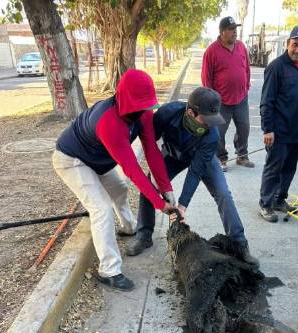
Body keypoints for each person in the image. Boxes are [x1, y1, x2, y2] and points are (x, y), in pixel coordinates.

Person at [52, 69, 176, 291]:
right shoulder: (109, 121)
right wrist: (159, 204)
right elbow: (132, 169)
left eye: (146, 104)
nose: (143, 109)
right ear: (125, 99)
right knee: (101, 208)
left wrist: (166, 189)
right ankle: (109, 270)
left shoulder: (144, 114)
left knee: (119, 189)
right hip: (72, 160)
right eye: (139, 104)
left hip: (98, 160)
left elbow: (152, 152)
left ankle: (128, 227)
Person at [126, 87, 259, 266]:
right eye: (206, 120)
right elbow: (149, 143)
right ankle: (144, 235)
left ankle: (239, 244)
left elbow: (195, 171)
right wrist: (159, 179)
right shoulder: (167, 113)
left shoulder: (212, 134)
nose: (209, 125)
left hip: (203, 158)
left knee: (223, 194)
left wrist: (182, 205)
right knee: (150, 185)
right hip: (173, 155)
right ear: (190, 112)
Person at [258, 25, 298, 222]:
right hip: (278, 130)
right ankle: (265, 204)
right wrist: (268, 129)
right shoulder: (276, 67)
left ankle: (279, 199)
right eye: (295, 45)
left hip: (296, 130)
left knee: (289, 168)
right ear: (287, 43)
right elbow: (267, 101)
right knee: (274, 168)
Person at [202, 16, 254, 172]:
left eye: (235, 29)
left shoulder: (241, 47)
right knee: (219, 132)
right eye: (231, 30)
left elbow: (247, 69)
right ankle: (221, 158)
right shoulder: (212, 50)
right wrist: (211, 100)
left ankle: (242, 155)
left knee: (244, 127)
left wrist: (246, 86)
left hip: (241, 98)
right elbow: (206, 77)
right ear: (222, 31)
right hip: (221, 101)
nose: (234, 33)